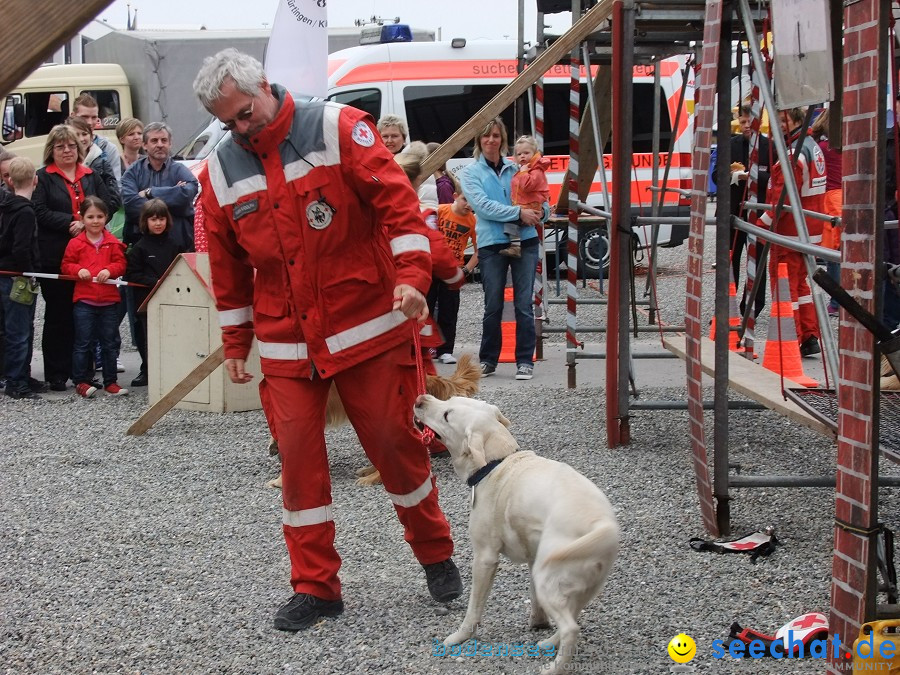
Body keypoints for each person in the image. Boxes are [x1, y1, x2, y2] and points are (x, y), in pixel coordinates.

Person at [192, 48, 461, 631]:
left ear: (264, 85)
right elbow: (230, 266)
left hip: (366, 329)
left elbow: (399, 209)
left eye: (246, 112)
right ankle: (316, 588)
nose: (242, 128)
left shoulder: (339, 128)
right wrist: (235, 342)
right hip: (288, 345)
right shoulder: (219, 172)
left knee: (394, 443)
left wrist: (413, 280)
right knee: (298, 462)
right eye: (229, 122)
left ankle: (436, 552)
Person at [460, 116, 545, 380]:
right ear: (478, 140)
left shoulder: (517, 169)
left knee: (523, 304)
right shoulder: (470, 173)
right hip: (491, 244)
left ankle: (524, 361)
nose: (491, 140)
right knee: (493, 304)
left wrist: (541, 212)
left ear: (502, 140)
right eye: (486, 136)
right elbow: (483, 207)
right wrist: (519, 213)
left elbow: (541, 199)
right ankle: (488, 359)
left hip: (526, 239)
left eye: (496, 135)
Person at [32, 124, 112, 391]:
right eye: (60, 146)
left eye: (71, 145)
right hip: (55, 256)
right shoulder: (42, 177)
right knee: (57, 315)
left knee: (85, 316)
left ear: (79, 149)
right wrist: (71, 221)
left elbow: (107, 205)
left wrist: (90, 223)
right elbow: (39, 211)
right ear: (51, 151)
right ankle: (56, 372)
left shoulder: (92, 175)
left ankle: (84, 373)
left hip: (91, 258)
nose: (66, 150)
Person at [757, 106, 826, 357]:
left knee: (785, 288)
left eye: (783, 119)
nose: (778, 125)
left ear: (797, 119)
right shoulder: (811, 146)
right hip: (808, 230)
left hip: (789, 232)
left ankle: (791, 339)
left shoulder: (793, 153)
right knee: (800, 287)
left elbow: (782, 199)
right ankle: (809, 335)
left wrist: (761, 224)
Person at [60, 196, 128, 398]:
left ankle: (111, 382)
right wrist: (77, 270)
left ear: (106, 218)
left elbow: (121, 264)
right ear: (82, 218)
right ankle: (81, 381)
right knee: (83, 343)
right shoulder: (76, 243)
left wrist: (110, 270)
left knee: (109, 343)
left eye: (100, 216)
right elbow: (66, 265)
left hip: (109, 301)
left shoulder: (113, 242)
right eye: (90, 217)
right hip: (84, 300)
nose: (95, 221)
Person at [712, 104, 771, 317]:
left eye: (749, 122)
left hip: (760, 215)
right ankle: (726, 308)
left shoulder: (769, 147)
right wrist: (735, 176)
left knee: (758, 263)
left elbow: (775, 179)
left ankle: (752, 307)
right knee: (729, 260)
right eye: (743, 122)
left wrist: (752, 176)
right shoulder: (729, 145)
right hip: (731, 212)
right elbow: (716, 176)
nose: (746, 126)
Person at [125, 199, 183, 387]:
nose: (158, 223)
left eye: (161, 219)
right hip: (146, 301)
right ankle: (149, 370)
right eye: (153, 219)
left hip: (172, 298)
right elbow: (133, 274)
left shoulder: (175, 244)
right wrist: (155, 282)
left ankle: (172, 370)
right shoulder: (139, 248)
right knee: (148, 337)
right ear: (145, 222)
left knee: (173, 335)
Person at [0, 157, 42, 399]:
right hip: (19, 277)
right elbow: (21, 248)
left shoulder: (6, 207)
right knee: (20, 329)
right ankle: (17, 381)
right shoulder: (25, 211)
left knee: (16, 328)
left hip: (7, 274)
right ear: (35, 180)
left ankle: (19, 375)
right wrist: (29, 272)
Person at [121, 122, 198, 252]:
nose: (160, 145)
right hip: (142, 243)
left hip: (178, 242)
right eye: (154, 141)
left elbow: (189, 191)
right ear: (145, 145)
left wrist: (150, 192)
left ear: (170, 143)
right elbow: (130, 204)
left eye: (164, 140)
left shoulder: (179, 169)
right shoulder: (132, 172)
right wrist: (173, 194)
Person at [431, 188, 478, 364]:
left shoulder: (472, 221)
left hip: (452, 270)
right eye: (465, 199)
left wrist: (465, 271)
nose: (468, 204)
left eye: (472, 200)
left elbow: (478, 251)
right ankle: (422, 348)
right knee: (426, 308)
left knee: (449, 310)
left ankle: (445, 350)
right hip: (431, 265)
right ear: (455, 197)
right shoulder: (440, 210)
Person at [810, 108, 842, 317]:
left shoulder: (821, 148)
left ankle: (837, 302)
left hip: (830, 198)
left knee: (833, 255)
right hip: (846, 195)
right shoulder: (845, 147)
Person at [503, 135, 550, 259]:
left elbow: (527, 186)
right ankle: (515, 246)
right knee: (513, 222)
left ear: (534, 153)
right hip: (526, 204)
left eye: (526, 153)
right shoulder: (528, 170)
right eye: (519, 154)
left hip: (530, 205)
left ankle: (515, 247)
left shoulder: (535, 171)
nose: (522, 156)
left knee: (512, 221)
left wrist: (523, 172)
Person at [67, 116, 122, 212]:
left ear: (91, 136)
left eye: (85, 134)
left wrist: (96, 219)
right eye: (76, 135)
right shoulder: (61, 165)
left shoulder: (103, 164)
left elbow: (114, 199)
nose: (81, 139)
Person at [71, 94, 122, 184]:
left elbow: (116, 186)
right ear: (73, 116)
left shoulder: (109, 149)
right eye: (84, 117)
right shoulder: (60, 147)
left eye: (94, 117)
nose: (90, 122)